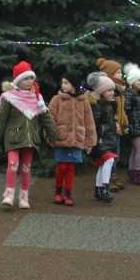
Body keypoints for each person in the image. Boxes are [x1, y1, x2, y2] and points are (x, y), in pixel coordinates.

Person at [0, 61, 55, 209]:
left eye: (31, 78)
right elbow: (1, 119)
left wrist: (53, 135)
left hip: (30, 138)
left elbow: (46, 118)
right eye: (25, 79)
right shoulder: (9, 98)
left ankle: (24, 198)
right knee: (13, 164)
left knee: (26, 167)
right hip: (13, 137)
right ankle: (9, 195)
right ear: (18, 81)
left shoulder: (37, 98)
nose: (29, 82)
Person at [49, 70, 96, 207]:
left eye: (66, 83)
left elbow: (89, 121)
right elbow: (50, 118)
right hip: (61, 138)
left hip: (77, 139)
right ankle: (58, 191)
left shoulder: (83, 101)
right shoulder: (57, 100)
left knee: (70, 167)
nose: (63, 85)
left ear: (74, 85)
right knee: (62, 166)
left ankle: (68, 192)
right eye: (62, 83)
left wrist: (90, 140)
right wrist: (50, 135)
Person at [86, 72, 119, 202]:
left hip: (108, 140)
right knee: (109, 161)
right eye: (109, 90)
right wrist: (94, 139)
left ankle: (98, 189)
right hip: (100, 141)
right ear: (101, 91)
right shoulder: (98, 106)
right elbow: (94, 124)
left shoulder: (110, 104)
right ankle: (105, 187)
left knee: (103, 164)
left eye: (113, 90)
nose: (112, 92)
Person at [96, 57, 128, 191]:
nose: (121, 75)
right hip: (108, 131)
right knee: (109, 156)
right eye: (118, 72)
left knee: (116, 153)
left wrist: (124, 123)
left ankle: (112, 177)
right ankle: (107, 180)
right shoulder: (109, 90)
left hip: (118, 128)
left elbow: (121, 111)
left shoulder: (120, 90)